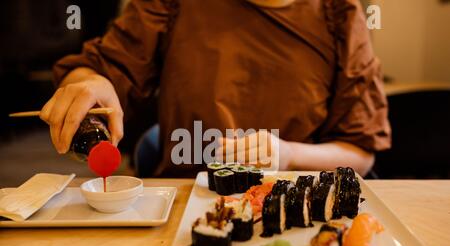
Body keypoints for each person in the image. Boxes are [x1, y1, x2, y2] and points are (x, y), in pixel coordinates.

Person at [40, 0, 391, 177]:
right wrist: (88, 81)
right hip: (183, 203)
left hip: (295, 208)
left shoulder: (338, 13)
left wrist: (286, 156)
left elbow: (360, 152)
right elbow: (101, 67)